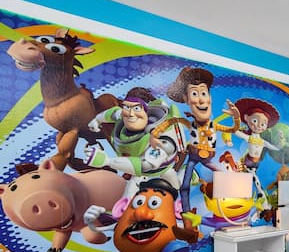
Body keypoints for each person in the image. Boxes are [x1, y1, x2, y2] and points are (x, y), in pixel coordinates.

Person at [151, 67, 241, 212]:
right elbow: (172, 121)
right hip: (193, 156)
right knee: (185, 185)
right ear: (186, 99)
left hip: (208, 158)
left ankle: (225, 206)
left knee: (225, 176)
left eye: (204, 93)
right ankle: (186, 213)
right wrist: (154, 135)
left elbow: (233, 130)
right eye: (194, 93)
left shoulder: (214, 126)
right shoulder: (189, 124)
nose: (201, 99)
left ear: (209, 98)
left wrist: (236, 117)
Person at [84, 87, 183, 198]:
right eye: (127, 107)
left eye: (136, 108)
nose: (130, 114)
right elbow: (113, 113)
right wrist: (97, 120)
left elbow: (144, 165)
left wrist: (107, 161)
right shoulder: (124, 118)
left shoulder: (162, 137)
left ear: (147, 111)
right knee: (128, 198)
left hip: (161, 169)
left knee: (175, 187)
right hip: (138, 174)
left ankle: (187, 176)